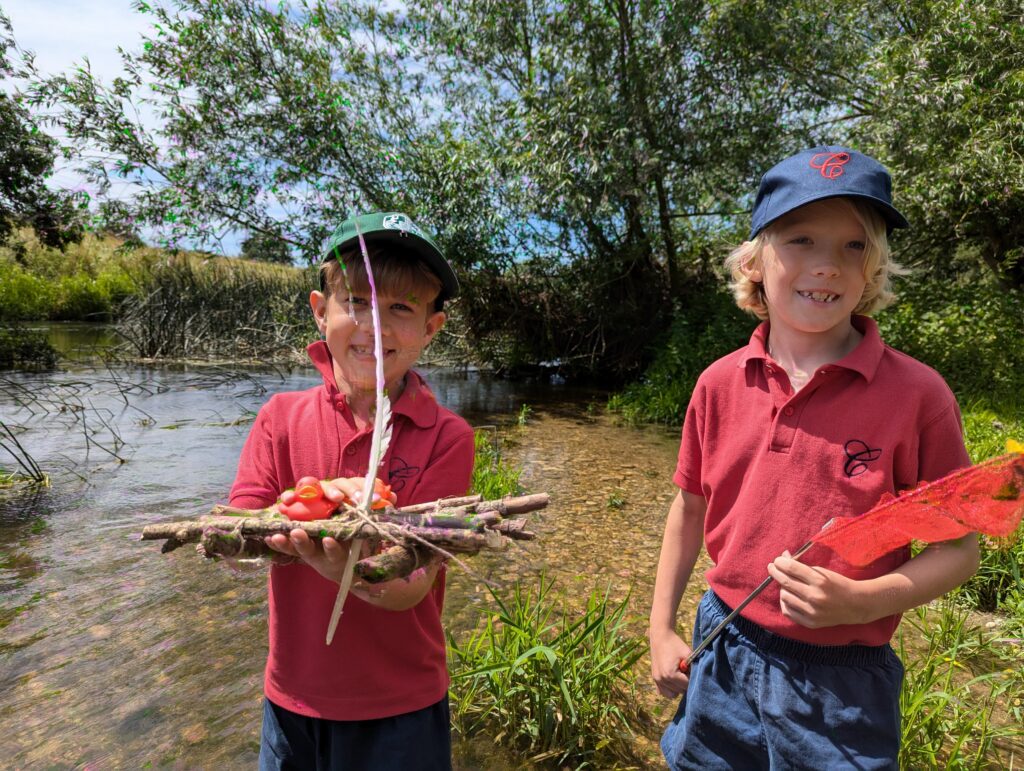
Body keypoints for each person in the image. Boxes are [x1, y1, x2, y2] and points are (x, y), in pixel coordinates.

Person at [648, 147, 980, 770]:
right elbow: (689, 509)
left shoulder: (918, 397)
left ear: (873, 269)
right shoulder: (717, 384)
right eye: (800, 239)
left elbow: (959, 549)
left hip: (842, 681)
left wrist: (866, 600)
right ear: (754, 259)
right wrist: (661, 628)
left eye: (854, 246)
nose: (827, 265)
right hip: (723, 642)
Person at [228, 212, 475, 770]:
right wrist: (313, 504)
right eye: (357, 302)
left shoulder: (449, 437)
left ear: (431, 329)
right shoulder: (280, 418)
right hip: (293, 699)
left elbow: (412, 583)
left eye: (401, 309)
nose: (375, 326)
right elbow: (238, 531)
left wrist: (342, 563)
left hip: (403, 705)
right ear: (321, 312)